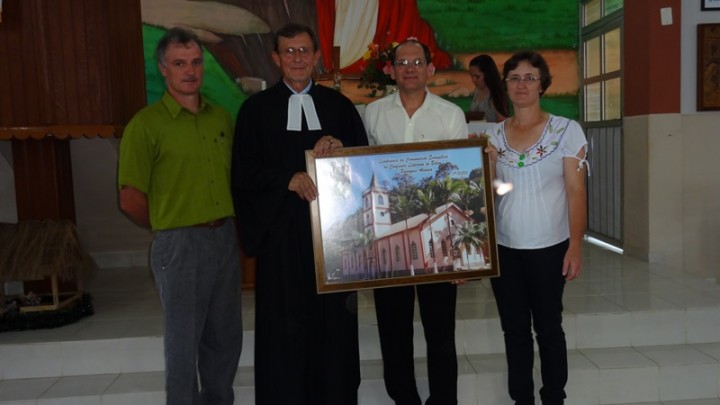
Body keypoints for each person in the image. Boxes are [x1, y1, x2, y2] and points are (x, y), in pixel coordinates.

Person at [231, 23, 368, 405]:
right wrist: (286, 179)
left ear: (317, 57)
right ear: (275, 58)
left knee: (335, 329)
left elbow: (364, 166)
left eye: (304, 51)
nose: (297, 58)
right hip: (282, 240)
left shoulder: (339, 107)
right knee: (283, 333)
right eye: (288, 51)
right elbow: (243, 175)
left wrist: (339, 148)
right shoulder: (255, 111)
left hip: (336, 239)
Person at [117, 28, 243, 405]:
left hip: (224, 239)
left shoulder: (221, 118)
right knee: (183, 342)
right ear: (163, 70)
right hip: (179, 244)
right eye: (179, 63)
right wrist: (168, 227)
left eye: (195, 62)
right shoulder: (146, 125)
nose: (190, 71)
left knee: (225, 338)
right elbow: (130, 199)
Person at [363, 38, 468, 405]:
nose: (410, 67)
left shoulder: (450, 115)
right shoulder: (372, 113)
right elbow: (364, 169)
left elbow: (456, 182)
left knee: (441, 330)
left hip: (436, 234)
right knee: (393, 329)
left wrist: (455, 250)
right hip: (391, 237)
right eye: (402, 61)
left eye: (417, 61)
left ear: (430, 69)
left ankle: (443, 399)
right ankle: (404, 397)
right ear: (390, 69)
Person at [486, 50, 588, 405]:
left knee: (548, 328)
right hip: (506, 249)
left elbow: (576, 191)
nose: (522, 84)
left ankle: (554, 397)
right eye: (514, 78)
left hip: (550, 247)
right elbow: (494, 191)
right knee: (514, 330)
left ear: (543, 84)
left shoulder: (565, 130)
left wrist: (575, 245)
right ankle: (522, 399)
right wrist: (488, 170)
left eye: (530, 77)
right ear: (506, 85)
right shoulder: (493, 137)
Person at [467, 54, 509, 123]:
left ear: (488, 74)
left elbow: (502, 125)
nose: (473, 80)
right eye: (471, 76)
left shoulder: (498, 96)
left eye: (477, 76)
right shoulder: (477, 91)